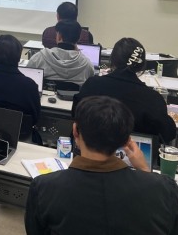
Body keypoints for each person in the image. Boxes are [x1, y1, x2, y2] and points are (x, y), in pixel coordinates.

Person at [25, 96, 178, 235]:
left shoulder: (44, 188)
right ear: (126, 140)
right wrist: (145, 171)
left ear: (75, 132)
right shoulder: (164, 189)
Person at [73, 38, 176, 144]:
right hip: (134, 157)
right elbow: (168, 133)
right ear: (142, 65)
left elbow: (76, 115)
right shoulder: (153, 99)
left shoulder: (92, 84)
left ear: (112, 60)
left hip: (90, 151)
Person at [26, 20, 94, 87]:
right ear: (78, 38)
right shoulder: (87, 64)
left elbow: (27, 80)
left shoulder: (39, 58)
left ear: (59, 36)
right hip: (74, 98)